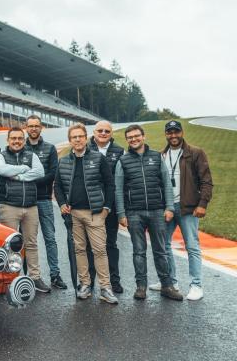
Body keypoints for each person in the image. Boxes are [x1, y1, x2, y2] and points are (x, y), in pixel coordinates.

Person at [115, 124, 182, 301]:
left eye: (137, 136)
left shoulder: (156, 157)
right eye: (130, 137)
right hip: (134, 213)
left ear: (143, 136)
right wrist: (121, 213)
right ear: (127, 140)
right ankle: (141, 287)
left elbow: (166, 183)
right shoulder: (123, 161)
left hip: (157, 211)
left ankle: (167, 286)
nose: (134, 139)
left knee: (161, 251)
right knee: (139, 251)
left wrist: (169, 207)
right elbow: (118, 189)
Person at [54, 124, 118, 304]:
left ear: (85, 138)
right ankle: (85, 284)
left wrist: (106, 208)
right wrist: (61, 204)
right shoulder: (64, 161)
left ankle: (105, 287)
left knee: (99, 250)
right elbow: (57, 186)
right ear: (70, 140)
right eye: (74, 137)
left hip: (95, 213)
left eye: (81, 136)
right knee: (80, 250)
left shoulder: (98, 158)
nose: (77, 139)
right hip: (74, 214)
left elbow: (110, 184)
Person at [155, 120, 212, 301]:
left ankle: (196, 285)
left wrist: (202, 204)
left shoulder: (195, 153)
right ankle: (171, 281)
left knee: (192, 247)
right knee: (163, 246)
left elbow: (206, 181)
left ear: (182, 132)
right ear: (166, 134)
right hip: (168, 209)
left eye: (176, 132)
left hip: (188, 208)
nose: (173, 135)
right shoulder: (161, 155)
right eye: (169, 132)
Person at [0, 127, 50, 293]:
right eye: (13, 138)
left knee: (31, 244)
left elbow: (40, 172)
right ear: (7, 140)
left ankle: (35, 277)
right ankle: (11, 279)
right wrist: (24, 168)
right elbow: (1, 170)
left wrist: (18, 176)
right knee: (10, 245)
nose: (16, 141)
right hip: (9, 206)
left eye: (19, 138)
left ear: (24, 140)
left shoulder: (31, 155)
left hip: (31, 206)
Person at [23, 115, 65, 290]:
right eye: (30, 126)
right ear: (26, 128)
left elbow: (53, 174)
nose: (33, 129)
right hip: (24, 201)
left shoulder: (50, 148)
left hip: (44, 199)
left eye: (36, 126)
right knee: (26, 240)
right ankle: (27, 276)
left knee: (50, 238)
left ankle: (55, 275)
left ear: (41, 128)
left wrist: (29, 181)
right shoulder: (19, 146)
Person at [88, 120, 125, 293]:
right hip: (89, 205)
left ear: (111, 133)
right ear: (94, 132)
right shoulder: (85, 148)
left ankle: (114, 280)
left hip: (111, 205)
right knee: (90, 245)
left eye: (107, 131)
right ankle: (90, 281)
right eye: (100, 130)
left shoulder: (119, 151)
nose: (103, 133)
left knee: (110, 243)